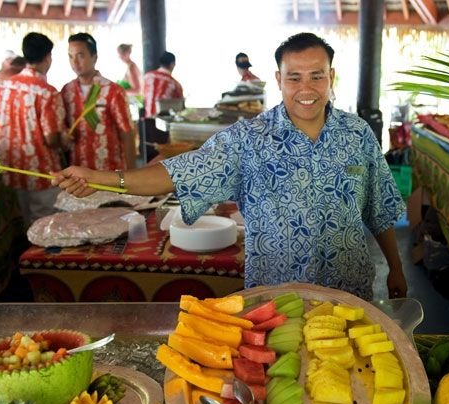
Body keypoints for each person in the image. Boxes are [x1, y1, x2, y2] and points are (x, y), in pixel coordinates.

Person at [53, 32, 407, 300]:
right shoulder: (248, 139)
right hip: (275, 300)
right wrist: (100, 179)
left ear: (331, 76)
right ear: (278, 78)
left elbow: (379, 209)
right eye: (294, 77)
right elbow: (178, 173)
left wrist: (396, 268)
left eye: (316, 76)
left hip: (347, 296)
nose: (306, 88)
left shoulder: (356, 134)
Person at [0, 32, 66, 226]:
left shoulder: (5, 86)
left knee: (25, 223)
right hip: (41, 171)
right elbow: (51, 138)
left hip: (13, 167)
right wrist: (65, 139)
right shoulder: (47, 92)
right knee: (46, 226)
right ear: (48, 57)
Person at [62, 33, 136, 173]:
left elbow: (127, 133)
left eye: (80, 56)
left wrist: (131, 174)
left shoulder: (113, 91)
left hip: (109, 172)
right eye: (70, 56)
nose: (74, 62)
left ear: (94, 57)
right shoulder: (67, 91)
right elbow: (63, 128)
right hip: (79, 175)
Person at [141, 51, 184, 117]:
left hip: (147, 120)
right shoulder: (175, 84)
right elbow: (180, 107)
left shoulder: (147, 77)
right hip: (163, 123)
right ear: (172, 64)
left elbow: (143, 97)